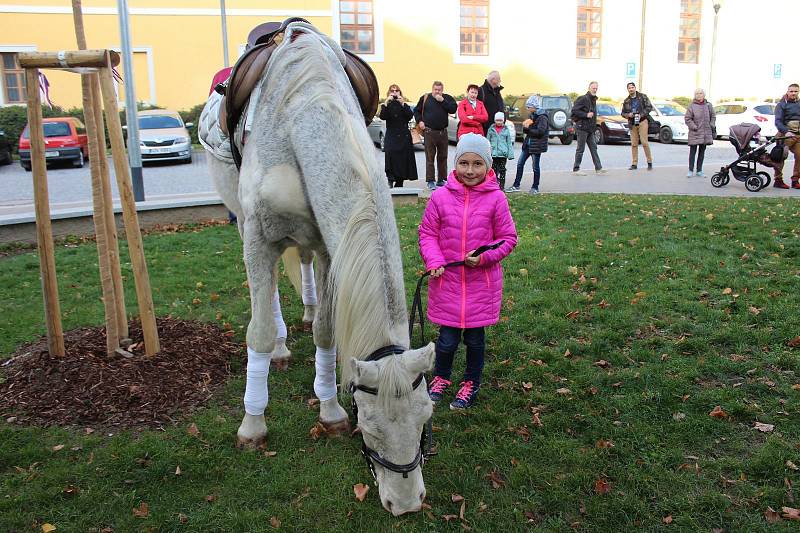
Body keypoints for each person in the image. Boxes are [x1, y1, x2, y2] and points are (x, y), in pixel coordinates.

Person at [419, 133, 518, 410]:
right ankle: (441, 378)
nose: (470, 170)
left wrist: (485, 256)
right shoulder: (439, 197)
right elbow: (427, 234)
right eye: (464, 163)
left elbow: (508, 238)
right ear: (455, 164)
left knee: (475, 341)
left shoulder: (496, 199)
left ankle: (471, 382)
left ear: (487, 166)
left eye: (477, 164)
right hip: (447, 284)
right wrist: (434, 261)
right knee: (447, 341)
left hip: (480, 285)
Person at [415, 81, 458, 190]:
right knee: (430, 157)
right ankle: (430, 181)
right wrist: (420, 121)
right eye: (435, 90)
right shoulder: (425, 98)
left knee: (443, 157)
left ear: (442, 90)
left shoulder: (447, 98)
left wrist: (443, 101)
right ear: (432, 89)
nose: (437, 92)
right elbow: (417, 111)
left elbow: (453, 109)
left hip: (443, 132)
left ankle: (441, 180)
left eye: (439, 90)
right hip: (429, 132)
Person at [506, 95, 548, 194]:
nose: (528, 109)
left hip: (536, 146)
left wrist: (529, 129)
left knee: (535, 167)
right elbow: (527, 131)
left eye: (529, 107)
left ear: (534, 106)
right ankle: (516, 185)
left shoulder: (542, 117)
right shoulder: (532, 115)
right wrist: (525, 127)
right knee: (520, 164)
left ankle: (535, 187)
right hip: (528, 145)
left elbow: (541, 132)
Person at [378, 84, 418, 188]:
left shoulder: (403, 104)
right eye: (392, 91)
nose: (395, 92)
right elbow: (383, 116)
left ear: (400, 92)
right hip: (391, 135)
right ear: (389, 93)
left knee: (402, 159)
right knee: (390, 156)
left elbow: (410, 116)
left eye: (397, 91)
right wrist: (386, 102)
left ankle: (400, 181)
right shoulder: (387, 105)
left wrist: (403, 103)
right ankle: (390, 179)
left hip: (403, 136)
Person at [571, 81, 606, 175]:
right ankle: (576, 169)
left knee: (594, 148)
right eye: (593, 88)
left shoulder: (593, 99)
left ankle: (598, 168)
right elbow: (574, 110)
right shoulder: (583, 98)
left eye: (596, 88)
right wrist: (586, 114)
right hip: (582, 128)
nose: (595, 90)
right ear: (589, 88)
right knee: (580, 149)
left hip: (590, 129)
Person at [621, 82, 654, 170]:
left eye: (632, 87)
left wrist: (641, 114)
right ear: (627, 89)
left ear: (635, 88)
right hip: (632, 123)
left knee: (644, 142)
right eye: (629, 88)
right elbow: (623, 113)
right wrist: (628, 115)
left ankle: (649, 162)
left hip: (642, 121)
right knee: (634, 144)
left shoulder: (642, 96)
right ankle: (634, 163)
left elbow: (649, 107)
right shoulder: (626, 101)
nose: (631, 89)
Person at [773, 83, 800, 189]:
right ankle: (778, 180)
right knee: (780, 157)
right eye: (791, 91)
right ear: (787, 91)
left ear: (798, 92)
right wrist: (786, 131)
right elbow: (778, 122)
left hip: (798, 136)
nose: (793, 93)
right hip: (785, 135)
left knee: (799, 156)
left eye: (795, 91)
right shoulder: (781, 105)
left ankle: (795, 180)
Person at [684, 88, 715, 178]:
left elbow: (713, 116)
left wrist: (711, 124)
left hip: (705, 133)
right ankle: (690, 170)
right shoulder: (691, 106)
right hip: (695, 132)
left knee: (702, 152)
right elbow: (687, 118)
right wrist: (694, 127)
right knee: (692, 152)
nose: (698, 95)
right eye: (697, 93)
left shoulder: (708, 105)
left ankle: (699, 170)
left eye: (700, 93)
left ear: (704, 95)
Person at [487, 111, 514, 190]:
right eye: (497, 120)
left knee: (502, 170)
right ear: (494, 120)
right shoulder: (491, 129)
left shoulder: (506, 130)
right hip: (493, 153)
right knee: (493, 170)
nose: (499, 122)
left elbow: (509, 142)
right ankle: (494, 185)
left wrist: (510, 154)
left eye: (500, 120)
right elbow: (488, 141)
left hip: (503, 154)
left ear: (503, 121)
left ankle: (502, 186)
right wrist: (488, 152)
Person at [478, 70, 504, 136]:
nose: (500, 81)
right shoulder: (480, 91)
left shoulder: (497, 92)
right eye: (499, 79)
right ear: (493, 80)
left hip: (497, 130)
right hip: (485, 131)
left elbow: (501, 109)